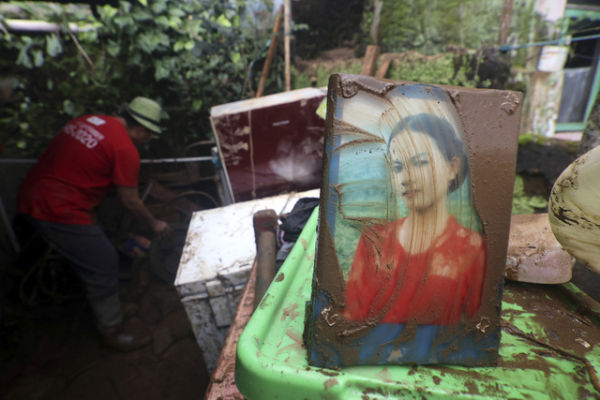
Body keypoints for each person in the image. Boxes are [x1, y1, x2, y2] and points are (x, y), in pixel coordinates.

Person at [18, 97, 172, 351]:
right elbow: (130, 201)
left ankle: (113, 305)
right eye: (149, 135)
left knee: (97, 245)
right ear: (141, 129)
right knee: (103, 261)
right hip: (59, 208)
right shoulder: (125, 148)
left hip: (33, 194)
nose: (147, 141)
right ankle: (112, 330)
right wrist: (155, 224)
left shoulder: (88, 121)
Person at [343, 113, 486, 326]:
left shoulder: (472, 250)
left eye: (420, 163)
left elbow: (479, 328)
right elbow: (351, 319)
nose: (406, 178)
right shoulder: (373, 241)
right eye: (398, 167)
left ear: (452, 168)